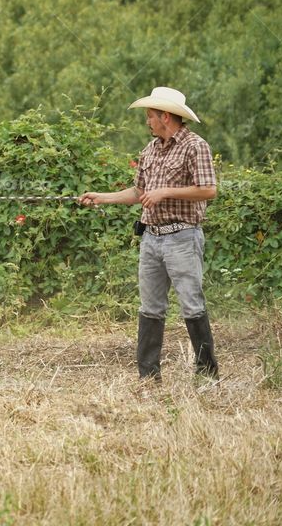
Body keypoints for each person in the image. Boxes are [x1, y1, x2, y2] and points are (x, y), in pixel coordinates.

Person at [79, 87, 219, 380]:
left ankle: (207, 375)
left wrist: (164, 193)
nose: (147, 121)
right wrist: (101, 197)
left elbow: (209, 189)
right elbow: (139, 192)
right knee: (150, 307)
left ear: (165, 116)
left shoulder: (195, 146)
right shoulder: (150, 150)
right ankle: (148, 376)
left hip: (182, 237)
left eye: (150, 116)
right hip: (151, 238)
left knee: (191, 304)